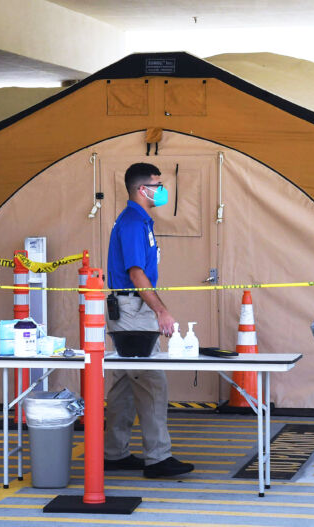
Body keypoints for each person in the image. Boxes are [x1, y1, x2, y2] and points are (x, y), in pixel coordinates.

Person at [104, 162, 194, 478]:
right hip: (132, 311)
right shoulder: (131, 222)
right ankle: (158, 458)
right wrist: (161, 310)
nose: (161, 190)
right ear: (142, 189)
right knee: (151, 380)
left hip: (130, 309)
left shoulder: (142, 221)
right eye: (157, 184)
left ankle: (114, 453)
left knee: (125, 384)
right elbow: (136, 272)